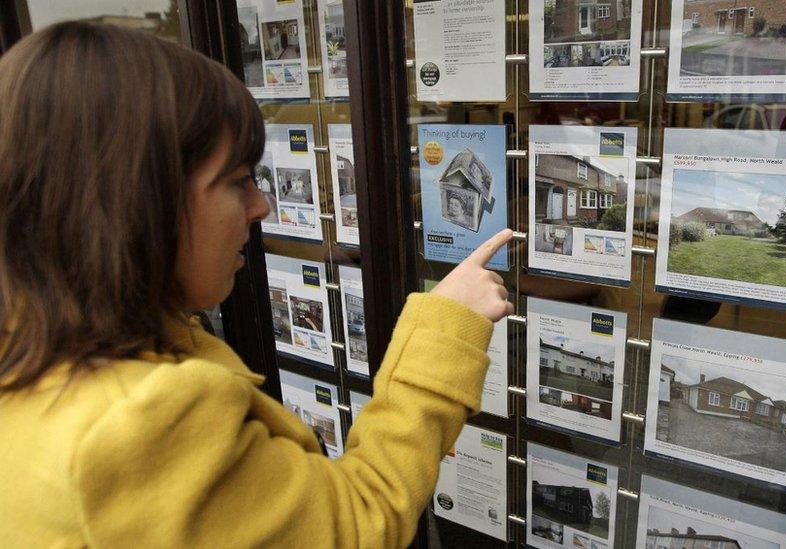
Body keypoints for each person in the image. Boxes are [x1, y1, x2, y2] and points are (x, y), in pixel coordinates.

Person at [0, 22, 513, 547]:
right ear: (137, 203)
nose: (262, 205)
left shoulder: (36, 364)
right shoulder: (141, 422)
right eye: (237, 181)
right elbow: (361, 524)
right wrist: (448, 327)